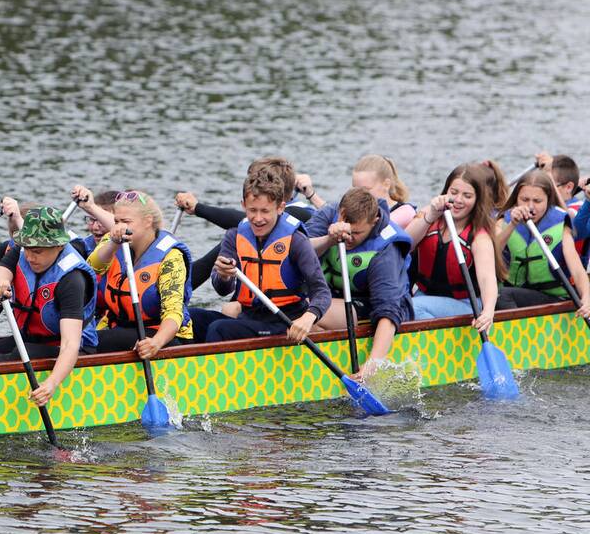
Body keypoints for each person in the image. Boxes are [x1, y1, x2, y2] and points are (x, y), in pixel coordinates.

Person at [0, 206, 98, 405]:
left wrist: (51, 383)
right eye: (27, 248)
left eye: (37, 251)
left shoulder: (72, 278)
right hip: (29, 339)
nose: (29, 257)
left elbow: (70, 345)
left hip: (70, 349)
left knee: (12, 356)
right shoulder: (20, 252)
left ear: (59, 246)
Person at [198, 168, 331, 343]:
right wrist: (223, 276)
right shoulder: (233, 236)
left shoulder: (296, 240)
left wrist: (308, 317)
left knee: (219, 329)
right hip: (249, 317)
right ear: (243, 205)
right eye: (252, 210)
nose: (258, 218)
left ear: (280, 208)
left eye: (265, 211)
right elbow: (222, 290)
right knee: (193, 318)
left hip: (285, 323)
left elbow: (322, 291)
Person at [310, 188, 413, 379]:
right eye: (347, 230)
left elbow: (389, 309)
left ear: (374, 222)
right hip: (334, 298)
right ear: (340, 212)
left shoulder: (386, 249)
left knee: (305, 311)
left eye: (356, 232)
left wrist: (373, 363)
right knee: (296, 313)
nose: (349, 237)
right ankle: (325, 363)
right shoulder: (328, 214)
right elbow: (296, 251)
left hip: (375, 306)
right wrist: (329, 240)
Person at [175, 157, 313, 290]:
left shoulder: (301, 214)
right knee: (234, 240)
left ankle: (178, 287)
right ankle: (175, 287)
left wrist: (198, 208)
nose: (251, 187)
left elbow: (240, 220)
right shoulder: (249, 228)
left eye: (257, 182)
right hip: (261, 295)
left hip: (294, 297)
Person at [87, 190, 195, 354]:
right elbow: (92, 268)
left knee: (97, 342)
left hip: (163, 336)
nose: (120, 227)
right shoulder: (112, 240)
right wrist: (113, 244)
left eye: (126, 221)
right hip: (119, 327)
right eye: (116, 221)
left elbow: (173, 312)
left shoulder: (171, 257)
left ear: (147, 221)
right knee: (85, 337)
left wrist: (156, 343)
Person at [406, 162, 505, 327]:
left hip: (465, 303)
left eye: (467, 196)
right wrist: (431, 215)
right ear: (446, 192)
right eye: (454, 192)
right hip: (425, 295)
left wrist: (488, 312)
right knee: (398, 308)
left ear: (477, 200)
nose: (458, 200)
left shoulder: (479, 236)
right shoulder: (430, 214)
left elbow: (487, 279)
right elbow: (405, 245)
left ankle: (436, 341)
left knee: (413, 308)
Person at [496, 170, 590, 314]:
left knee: (502, 295)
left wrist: (587, 299)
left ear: (548, 200)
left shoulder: (560, 224)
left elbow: (577, 270)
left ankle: (520, 327)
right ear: (516, 199)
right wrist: (512, 225)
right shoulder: (504, 221)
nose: (530, 207)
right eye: (524, 200)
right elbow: (491, 254)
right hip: (518, 293)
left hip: (555, 298)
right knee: (498, 294)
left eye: (537, 201)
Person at [67, 185, 117, 259]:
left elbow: (120, 227)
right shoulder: (83, 245)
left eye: (101, 221)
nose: (95, 227)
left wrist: (90, 207)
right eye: (92, 220)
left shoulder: (128, 244)